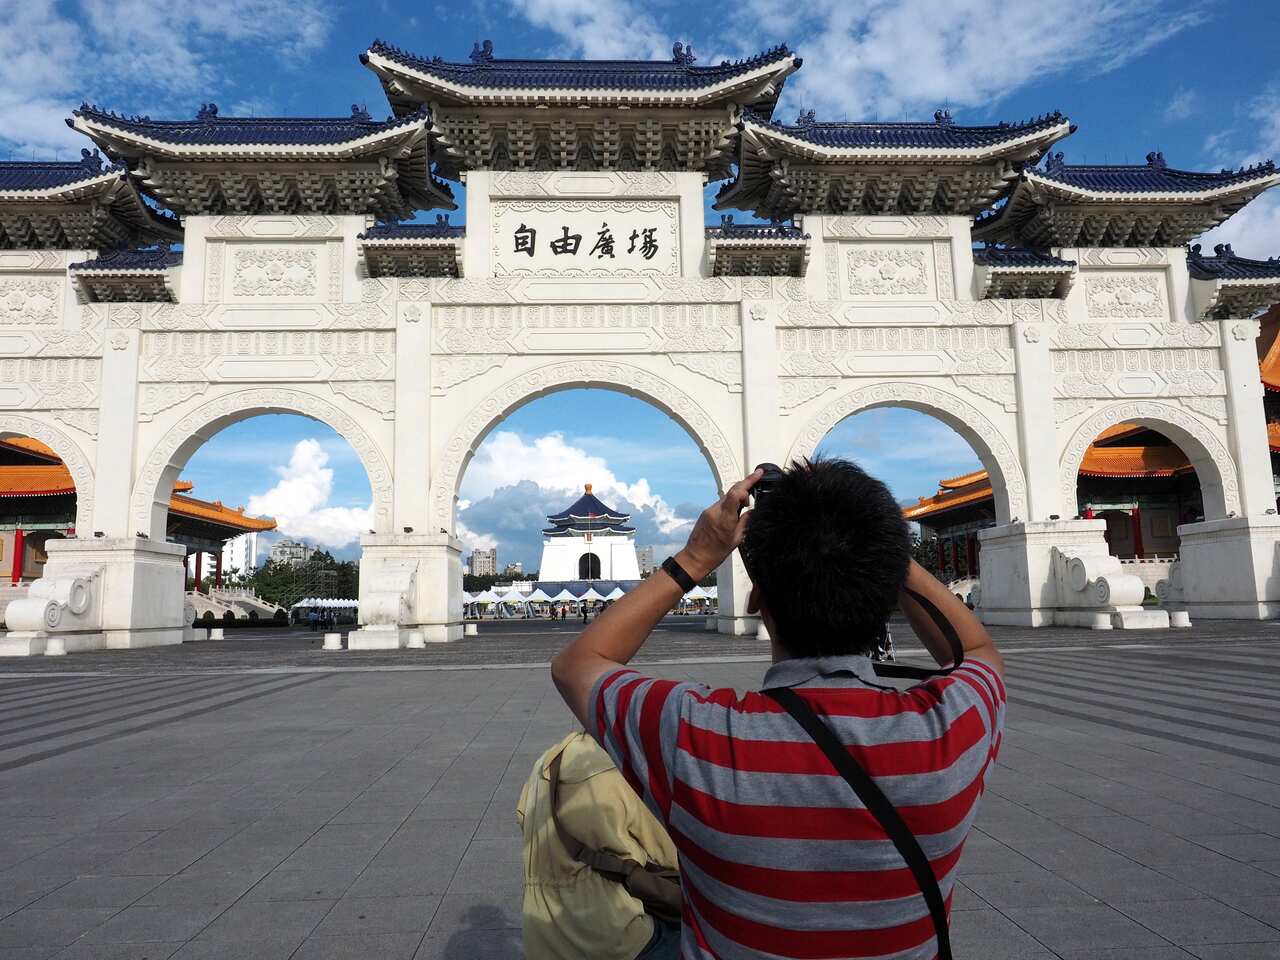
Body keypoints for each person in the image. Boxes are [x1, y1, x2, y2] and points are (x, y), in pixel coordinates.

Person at [551, 458, 1006, 960]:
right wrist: (886, 549)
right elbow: (977, 652)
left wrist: (698, 556)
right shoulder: (954, 728)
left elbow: (578, 664)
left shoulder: (696, 734)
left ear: (756, 602)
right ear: (888, 591)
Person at [516, 731, 681, 960]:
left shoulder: (545, 762)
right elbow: (672, 851)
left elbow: (523, 817)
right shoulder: (618, 766)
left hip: (541, 936)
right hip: (609, 936)